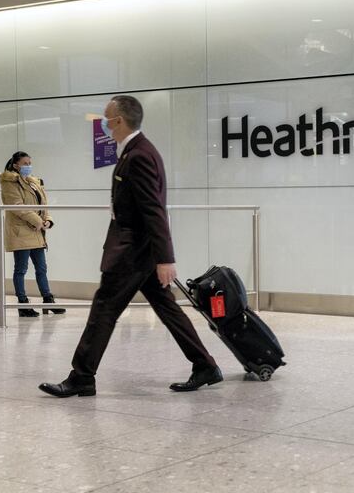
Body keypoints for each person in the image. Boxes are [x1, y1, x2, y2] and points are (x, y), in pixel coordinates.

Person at [39, 96, 221, 397]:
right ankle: (205, 365)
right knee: (166, 307)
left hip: (132, 251)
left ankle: (82, 376)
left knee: (104, 308)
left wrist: (166, 258)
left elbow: (154, 209)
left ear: (119, 121)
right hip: (141, 250)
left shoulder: (139, 155)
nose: (104, 123)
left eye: (107, 118)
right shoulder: (135, 151)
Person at [0, 152, 65, 317]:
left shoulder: (34, 182)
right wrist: (38, 222)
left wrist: (47, 220)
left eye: (30, 163)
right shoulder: (9, 183)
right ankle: (23, 304)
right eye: (25, 163)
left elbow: (44, 204)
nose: (28, 166)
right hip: (21, 231)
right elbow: (17, 206)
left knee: (41, 268)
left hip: (37, 231)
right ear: (15, 165)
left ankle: (48, 300)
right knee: (21, 269)